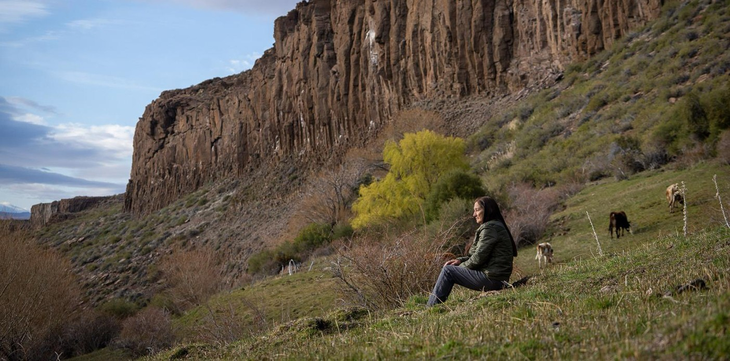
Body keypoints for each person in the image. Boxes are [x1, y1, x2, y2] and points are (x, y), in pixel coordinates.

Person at [427, 196, 518, 306]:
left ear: (488, 210)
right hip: (497, 278)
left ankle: (431, 308)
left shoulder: (490, 229)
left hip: (493, 279)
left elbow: (478, 258)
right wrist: (459, 261)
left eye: (477, 210)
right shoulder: (493, 226)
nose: (474, 214)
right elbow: (475, 255)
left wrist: (457, 269)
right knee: (450, 269)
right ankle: (433, 305)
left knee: (448, 271)